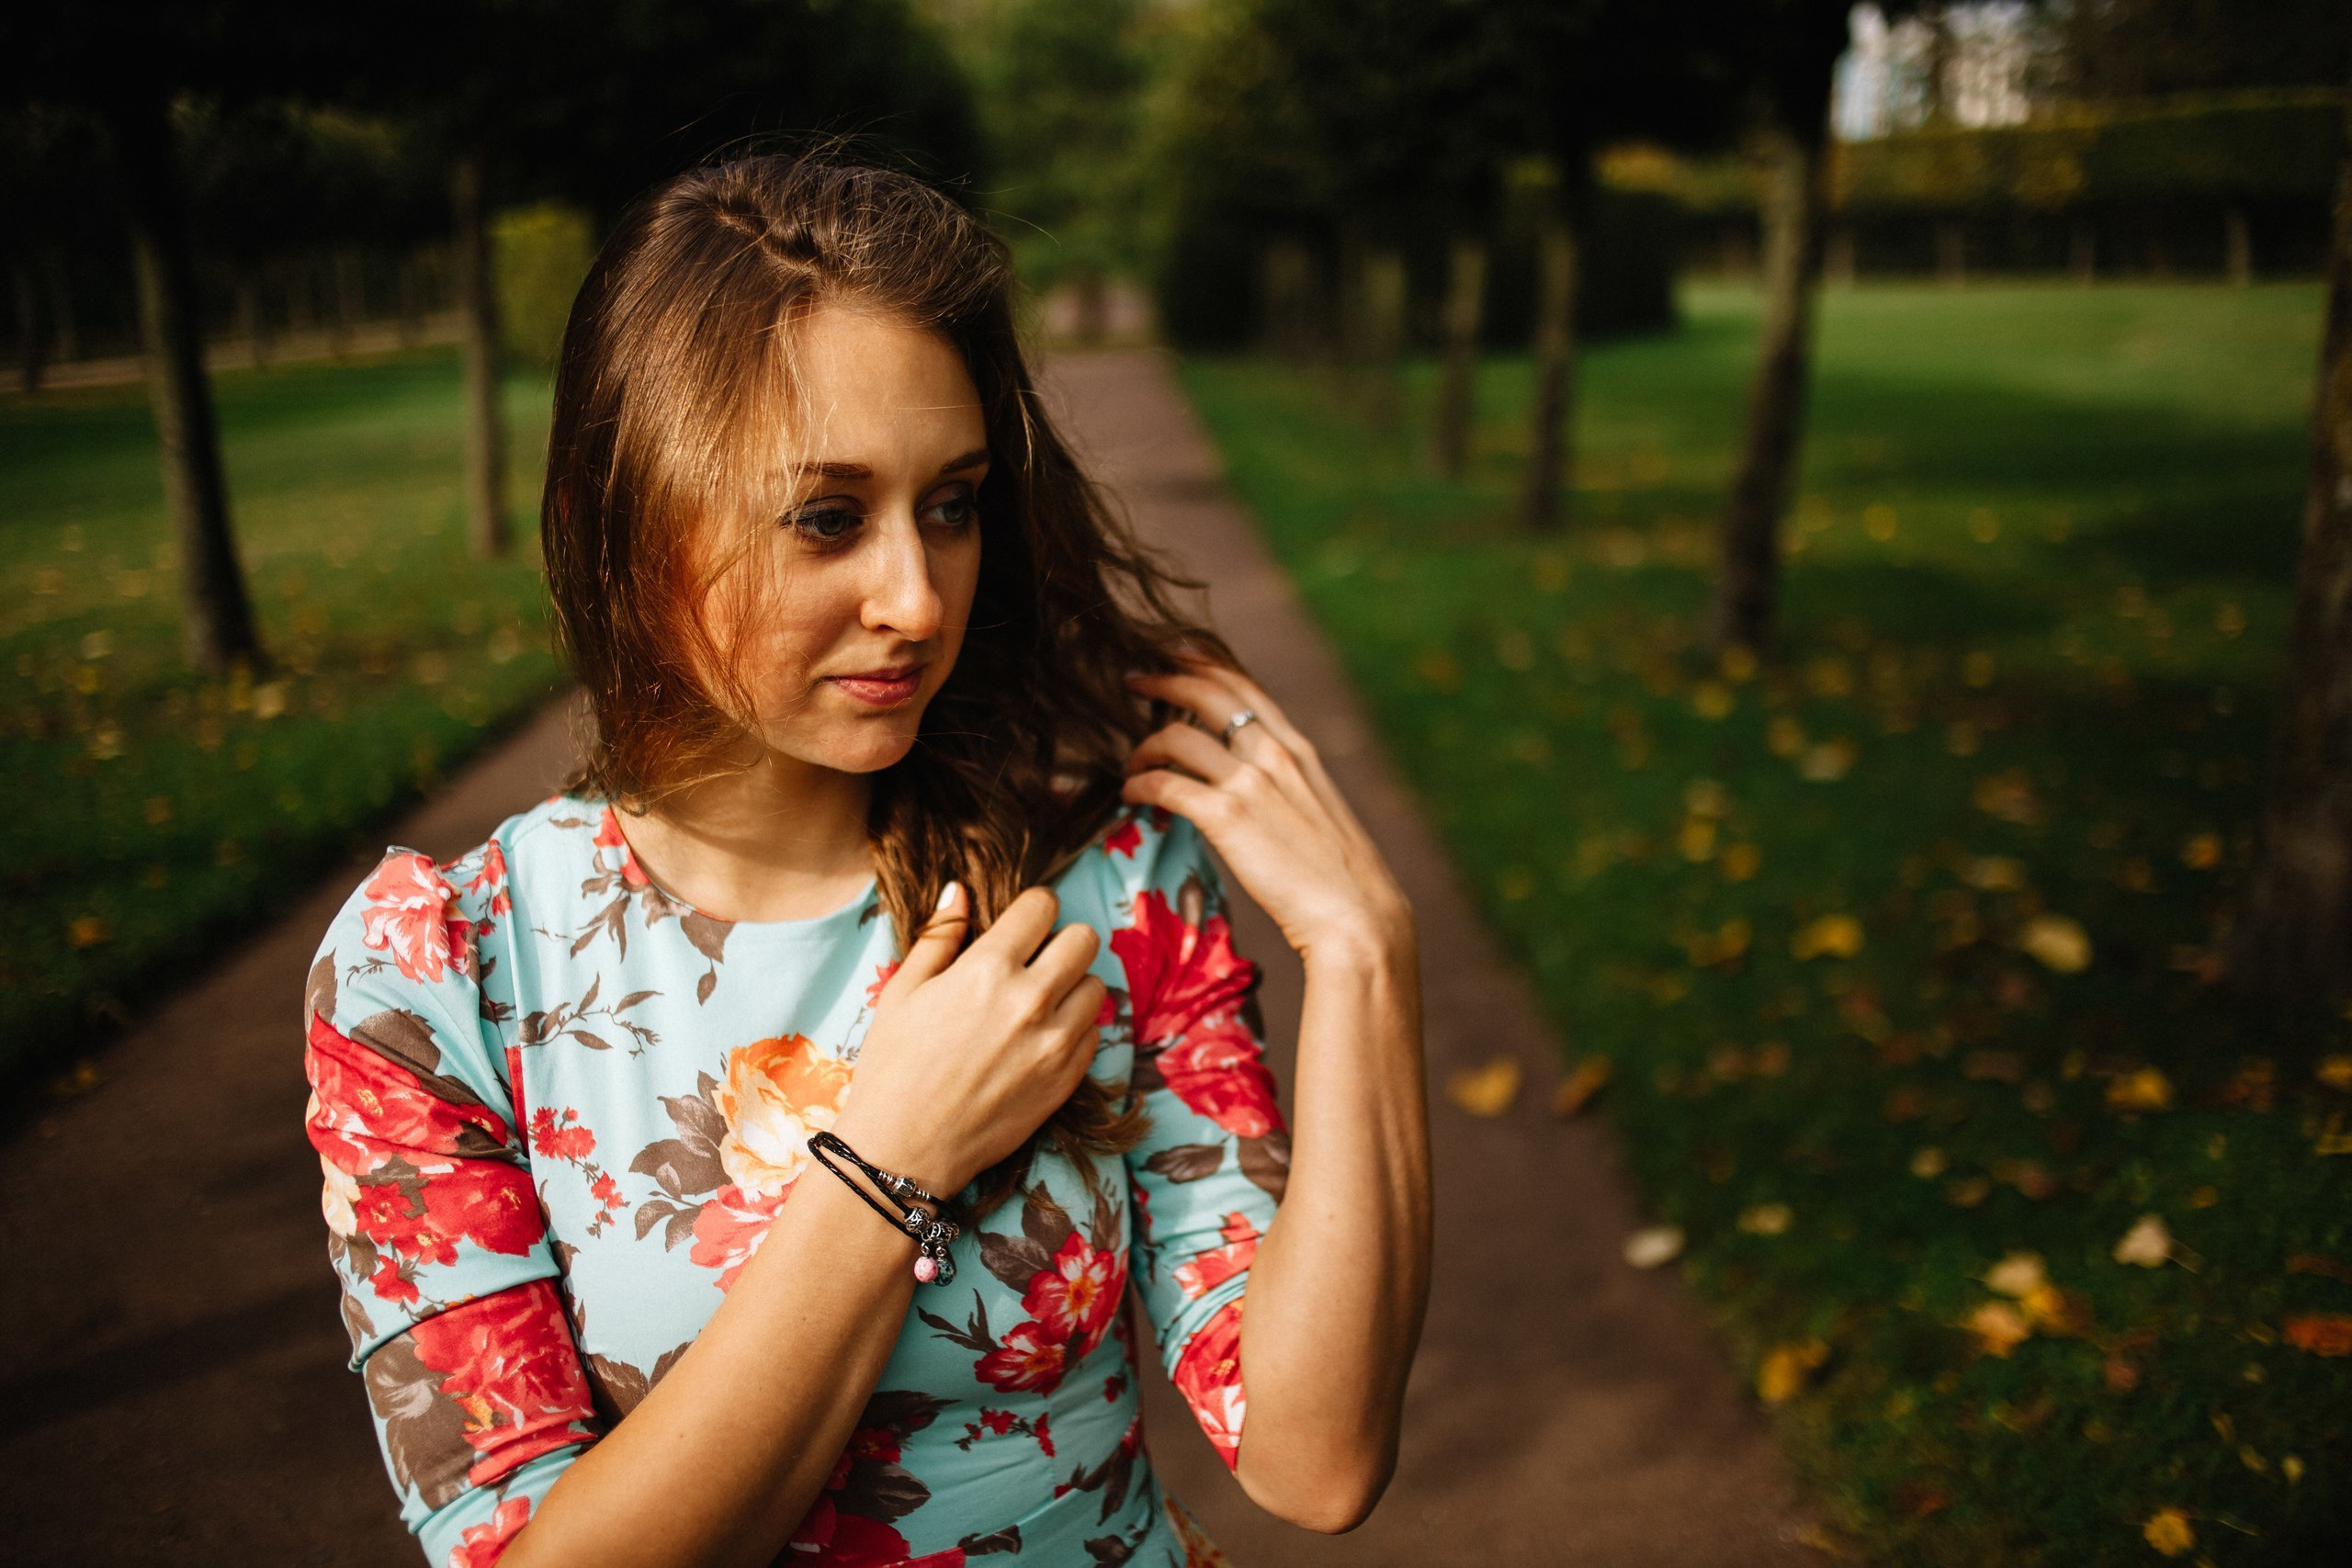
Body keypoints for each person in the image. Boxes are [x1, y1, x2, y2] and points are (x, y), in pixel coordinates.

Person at [301, 153, 1430, 1568]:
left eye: (950, 505)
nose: (915, 597)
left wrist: (1365, 956)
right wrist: (891, 1161)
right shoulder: (438, 975)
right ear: (630, 519)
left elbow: (1317, 1460)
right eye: (827, 518)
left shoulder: (1101, 887)